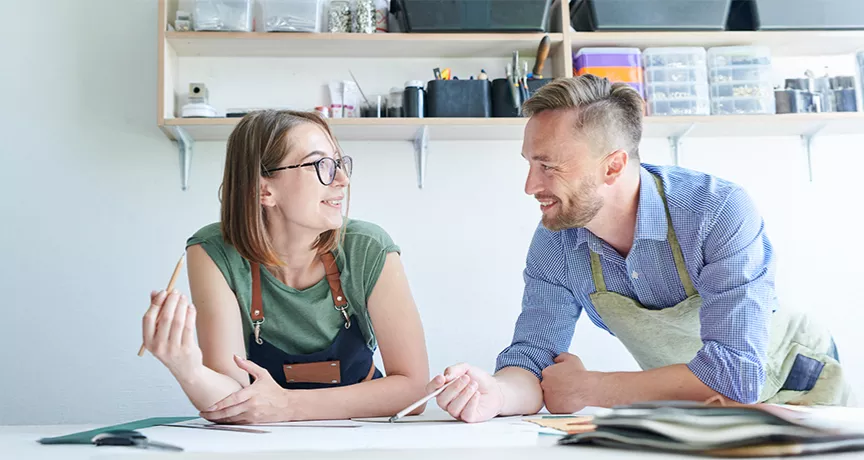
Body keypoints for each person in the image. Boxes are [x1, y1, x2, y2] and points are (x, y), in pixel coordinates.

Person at [425, 75, 852, 423]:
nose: (530, 186)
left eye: (549, 166)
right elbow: (534, 359)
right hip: (698, 409)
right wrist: (495, 392)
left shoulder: (716, 210)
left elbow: (736, 374)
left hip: (800, 388)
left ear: (612, 166)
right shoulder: (557, 242)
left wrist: (595, 388)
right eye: (530, 163)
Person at [142, 110, 429, 423]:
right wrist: (188, 367)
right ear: (265, 190)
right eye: (321, 165)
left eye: (339, 162)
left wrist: (289, 406)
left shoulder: (368, 247)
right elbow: (232, 401)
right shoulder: (213, 252)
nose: (342, 180)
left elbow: (415, 392)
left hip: (366, 434)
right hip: (265, 443)